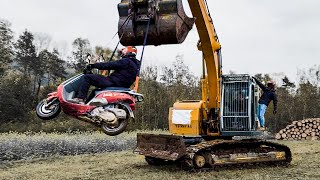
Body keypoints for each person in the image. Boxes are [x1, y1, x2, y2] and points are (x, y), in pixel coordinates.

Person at [69, 46, 140, 104]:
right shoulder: (136, 65)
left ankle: (80, 99)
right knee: (95, 91)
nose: (122, 53)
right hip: (122, 85)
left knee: (87, 77)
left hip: (113, 82)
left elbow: (109, 65)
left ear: (128, 52)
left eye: (124, 51)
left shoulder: (126, 61)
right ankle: (87, 105)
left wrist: (93, 65)